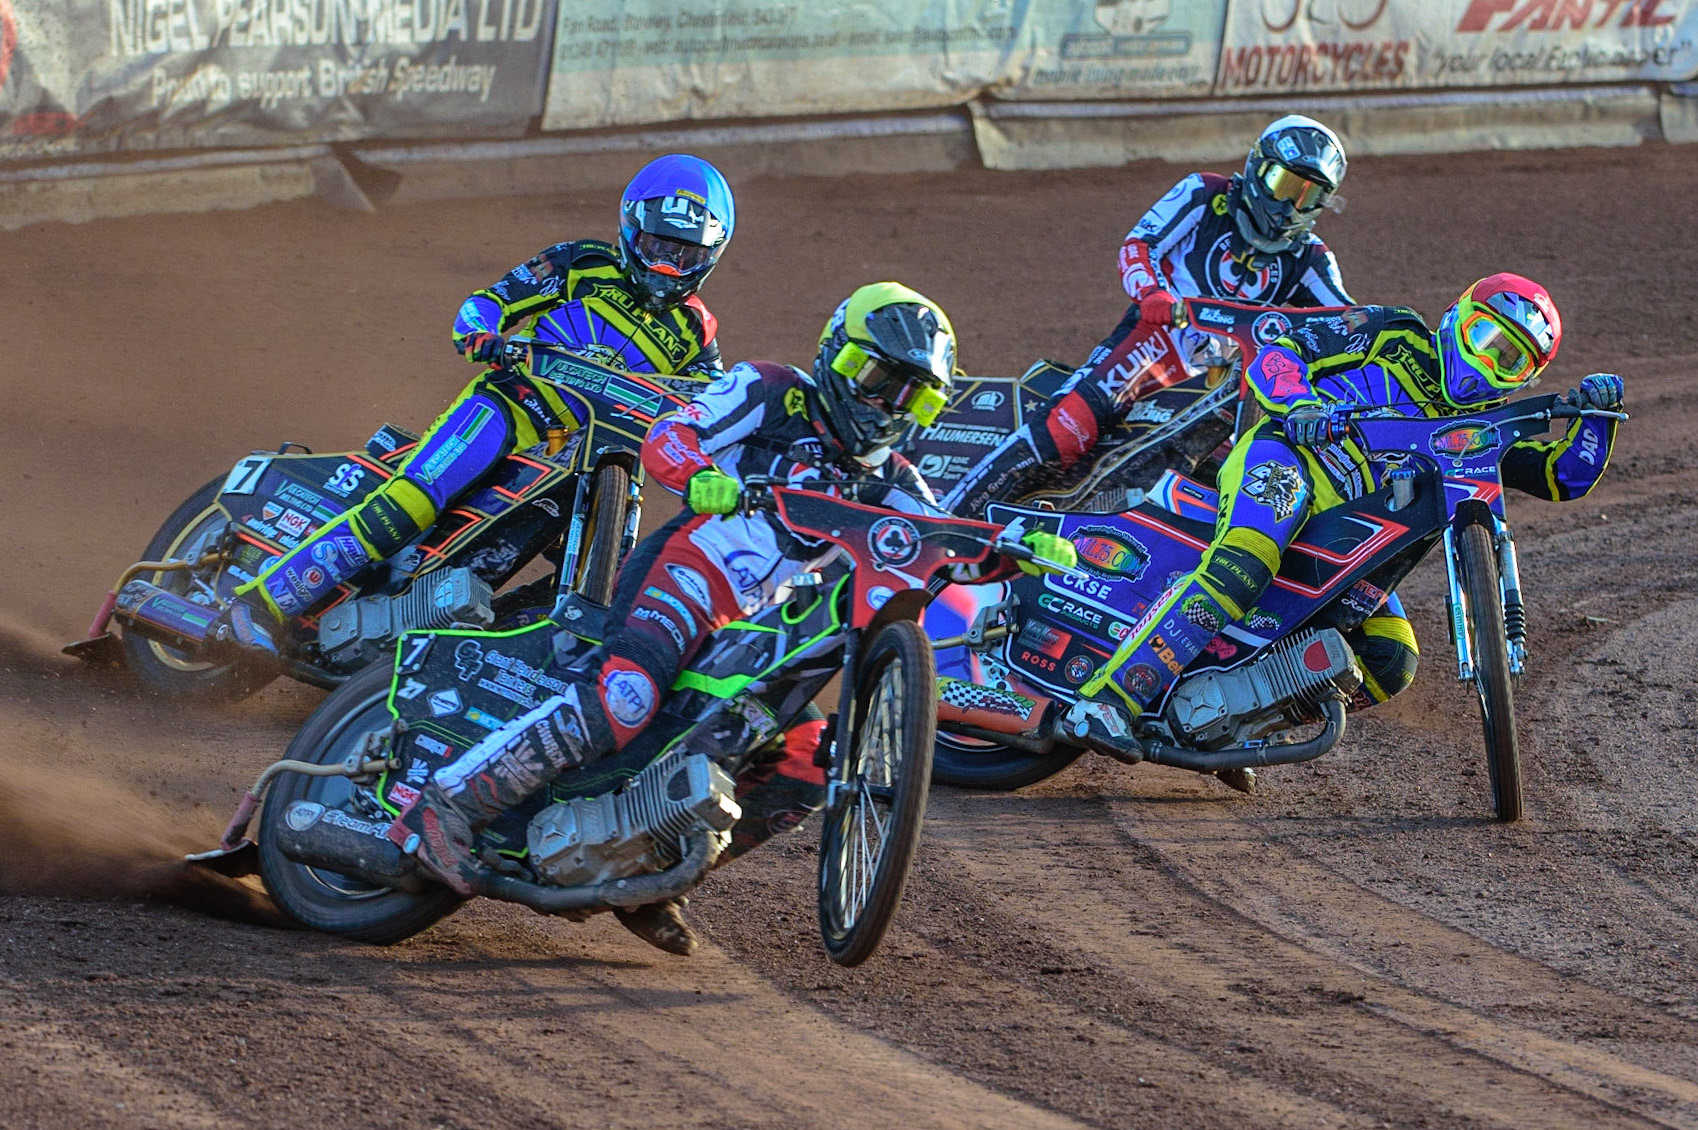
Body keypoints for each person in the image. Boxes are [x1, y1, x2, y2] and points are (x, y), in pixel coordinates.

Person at [386, 283, 1076, 953]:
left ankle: (649, 876)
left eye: (914, 395)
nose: (888, 403)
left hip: (758, 627)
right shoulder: (773, 390)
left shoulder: (894, 482)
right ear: (835, 354)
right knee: (625, 695)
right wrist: (699, 476)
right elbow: (671, 435)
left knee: (808, 760)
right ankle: (446, 806)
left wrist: (1019, 552)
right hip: (691, 566)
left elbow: (939, 550)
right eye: (876, 377)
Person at [210, 154, 736, 653]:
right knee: (414, 502)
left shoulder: (697, 331)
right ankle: (259, 604)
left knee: (619, 566)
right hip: (510, 407)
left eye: (684, 255)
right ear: (629, 230)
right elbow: (489, 301)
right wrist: (482, 334)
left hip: (586, 454)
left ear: (709, 257)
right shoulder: (582, 263)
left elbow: (713, 409)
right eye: (657, 245)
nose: (667, 265)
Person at [1076, 272, 1623, 724]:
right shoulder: (1392, 331)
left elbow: (1561, 476)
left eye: (1510, 360)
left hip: (1355, 543)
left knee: (1391, 659)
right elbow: (1279, 353)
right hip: (1290, 462)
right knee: (1246, 563)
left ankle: (1236, 721)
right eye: (1485, 339)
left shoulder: (1484, 432)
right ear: (1457, 318)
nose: (1487, 363)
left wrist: (1598, 418)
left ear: (1526, 379)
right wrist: (1300, 404)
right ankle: (1109, 699)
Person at [944, 115, 1353, 518]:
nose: (1289, 206)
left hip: (1220, 382)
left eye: (1308, 196)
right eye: (1284, 185)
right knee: (1067, 429)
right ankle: (952, 514)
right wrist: (1154, 293)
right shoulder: (1204, 193)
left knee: (1245, 467)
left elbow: (1349, 323)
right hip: (1152, 343)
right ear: (1256, 168)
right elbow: (1140, 244)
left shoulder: (1311, 258)